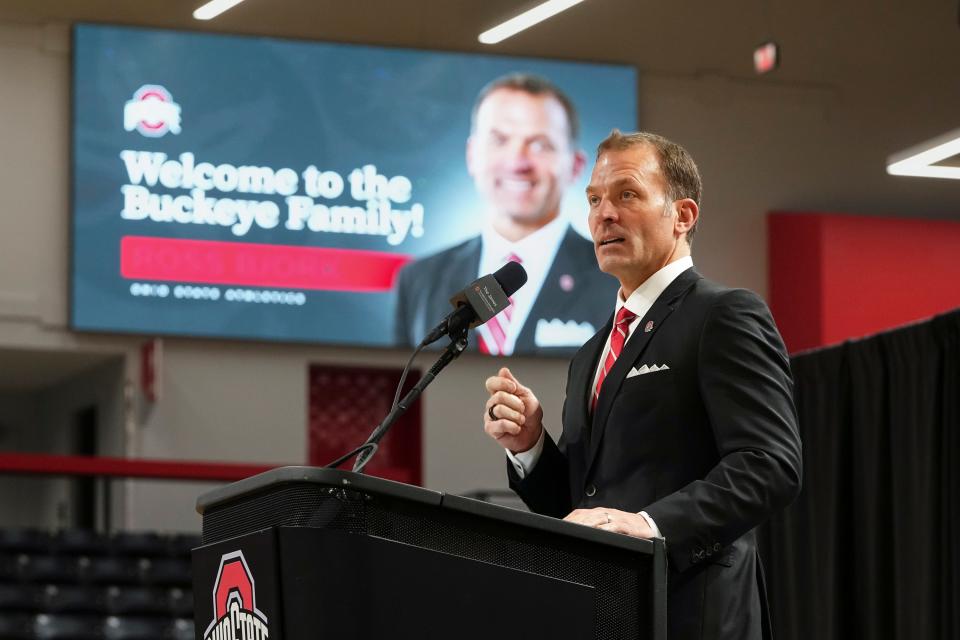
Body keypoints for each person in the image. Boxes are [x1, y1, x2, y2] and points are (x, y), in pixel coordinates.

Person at [482, 130, 802, 640]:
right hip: (604, 611)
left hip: (695, 615)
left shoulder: (723, 315)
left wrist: (649, 526)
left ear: (683, 215)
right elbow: (581, 505)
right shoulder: (591, 353)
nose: (603, 214)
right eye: (593, 200)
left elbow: (769, 466)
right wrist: (531, 447)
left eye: (626, 194)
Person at [393, 73, 619, 355]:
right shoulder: (420, 280)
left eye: (540, 145)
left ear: (575, 166)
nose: (517, 162)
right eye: (499, 140)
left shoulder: (617, 280)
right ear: (472, 155)